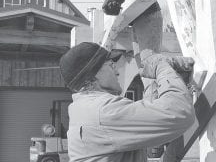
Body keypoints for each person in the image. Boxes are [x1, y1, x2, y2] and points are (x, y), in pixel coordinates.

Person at [59, 42, 195, 162]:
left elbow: (150, 115)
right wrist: (162, 67)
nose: (117, 70)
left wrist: (174, 81)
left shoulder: (86, 109)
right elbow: (179, 112)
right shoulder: (103, 112)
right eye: (110, 64)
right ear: (92, 78)